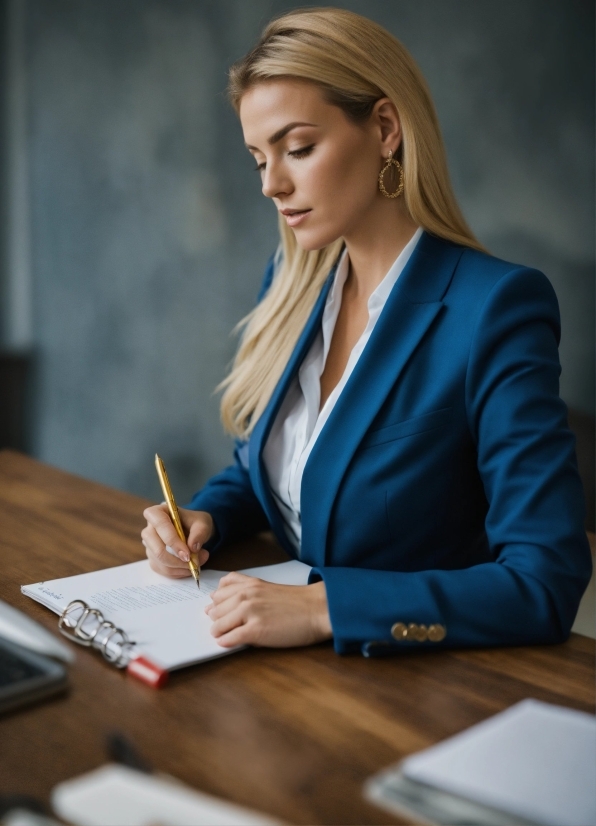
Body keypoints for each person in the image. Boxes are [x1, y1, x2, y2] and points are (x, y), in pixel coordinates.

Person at [141, 8, 591, 656]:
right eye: (257, 158)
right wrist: (207, 518)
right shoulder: (291, 281)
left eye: (298, 149)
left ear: (384, 128)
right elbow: (278, 465)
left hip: (415, 687)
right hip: (269, 663)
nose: (272, 184)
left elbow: (544, 583)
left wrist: (325, 608)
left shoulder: (496, 307)